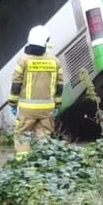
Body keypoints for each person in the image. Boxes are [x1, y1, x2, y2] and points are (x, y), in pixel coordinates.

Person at [8, 24, 64, 156]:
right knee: (44, 137)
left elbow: (16, 84)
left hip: (27, 110)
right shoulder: (54, 61)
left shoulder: (23, 61)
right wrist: (57, 104)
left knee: (22, 136)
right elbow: (60, 85)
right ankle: (43, 165)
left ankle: (24, 165)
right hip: (47, 109)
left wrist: (12, 103)